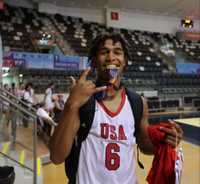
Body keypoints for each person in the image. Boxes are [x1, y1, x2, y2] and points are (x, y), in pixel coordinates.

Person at [50, 34, 183, 184]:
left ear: (125, 61)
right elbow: (56, 156)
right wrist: (71, 105)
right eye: (104, 52)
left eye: (117, 52)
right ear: (94, 61)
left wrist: (166, 140)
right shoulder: (82, 100)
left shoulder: (137, 103)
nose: (111, 57)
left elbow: (146, 146)